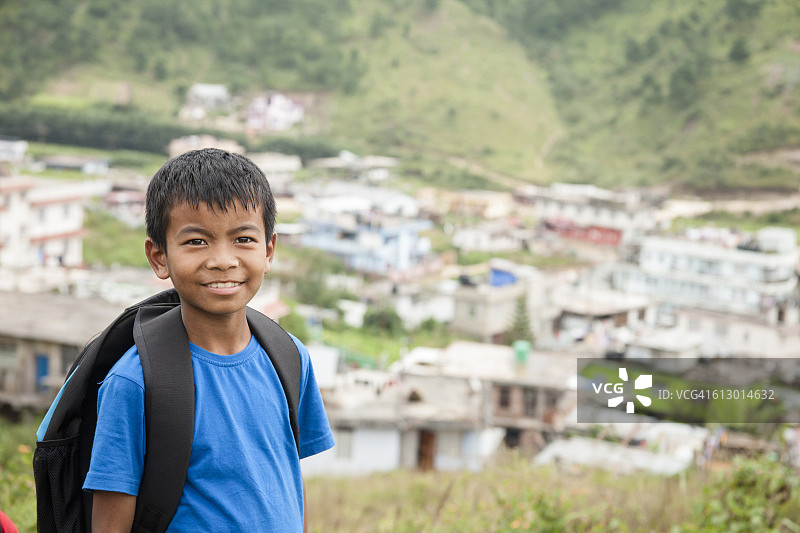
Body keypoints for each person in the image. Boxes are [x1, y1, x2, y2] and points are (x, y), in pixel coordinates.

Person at [83, 148, 334, 532]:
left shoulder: (289, 357)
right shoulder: (135, 383)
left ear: (269, 249)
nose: (222, 259)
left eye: (243, 239)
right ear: (159, 257)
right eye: (197, 241)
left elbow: (284, 483)